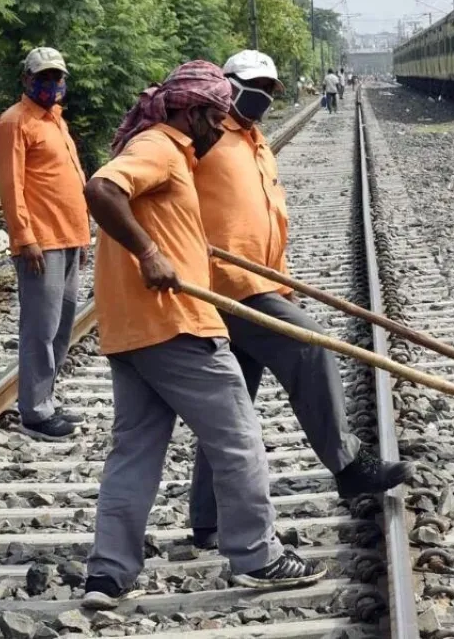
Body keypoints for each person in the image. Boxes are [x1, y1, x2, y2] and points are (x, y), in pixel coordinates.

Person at [80, 60, 324, 609]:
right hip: (178, 325)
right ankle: (257, 556)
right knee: (238, 439)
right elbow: (101, 190)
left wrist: (183, 245)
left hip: (131, 330)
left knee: (135, 452)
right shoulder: (161, 146)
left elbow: (156, 217)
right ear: (190, 113)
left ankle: (107, 573)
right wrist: (149, 253)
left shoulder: (168, 153)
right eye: (215, 117)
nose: (221, 127)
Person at [184, 50, 415, 549]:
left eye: (269, 89)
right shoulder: (201, 134)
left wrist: (280, 276)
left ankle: (207, 518)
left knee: (232, 406)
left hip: (260, 279)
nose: (263, 98)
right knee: (312, 346)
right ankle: (348, 462)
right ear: (226, 85)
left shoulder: (253, 139)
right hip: (224, 284)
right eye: (254, 87)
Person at [0, 47, 90, 441]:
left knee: (63, 325)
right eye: (43, 77)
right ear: (26, 80)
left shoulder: (55, 121)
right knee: (40, 328)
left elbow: (71, 179)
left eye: (56, 77)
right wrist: (24, 237)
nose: (51, 85)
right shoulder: (14, 123)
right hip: (41, 242)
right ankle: (34, 413)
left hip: (68, 237)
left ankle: (45, 397)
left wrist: (83, 233)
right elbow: (11, 186)